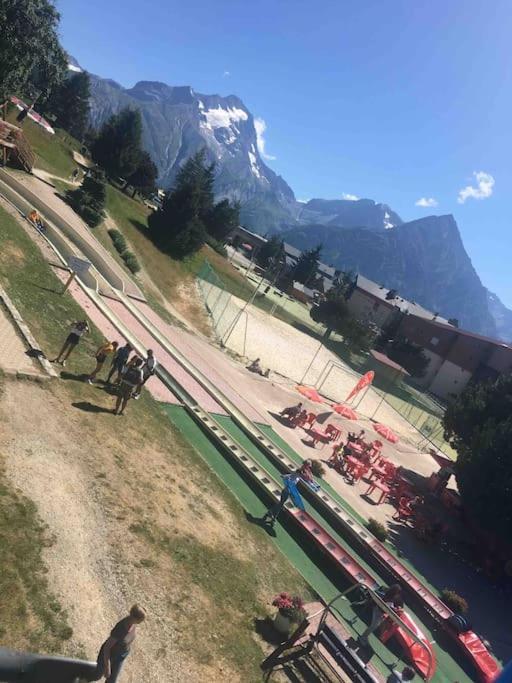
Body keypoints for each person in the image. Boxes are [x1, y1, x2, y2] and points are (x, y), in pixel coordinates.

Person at [91, 604, 146, 683]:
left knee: (112, 681)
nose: (141, 622)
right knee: (96, 676)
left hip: (120, 657)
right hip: (109, 656)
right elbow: (107, 648)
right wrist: (108, 666)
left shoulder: (132, 624)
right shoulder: (120, 628)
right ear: (134, 618)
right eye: (141, 620)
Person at [262, 460, 314, 528]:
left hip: (288, 490)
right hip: (287, 490)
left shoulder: (301, 471)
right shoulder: (300, 471)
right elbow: (308, 479)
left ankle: (271, 515)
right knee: (280, 504)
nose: (308, 468)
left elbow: (305, 478)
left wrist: (285, 476)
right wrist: (309, 473)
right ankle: (272, 516)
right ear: (306, 465)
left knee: (281, 504)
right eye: (308, 466)